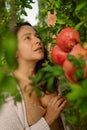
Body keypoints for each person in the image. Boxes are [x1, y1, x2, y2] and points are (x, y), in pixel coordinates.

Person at [0, 22, 68, 130]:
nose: (38, 41)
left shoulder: (49, 77)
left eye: (37, 37)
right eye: (27, 38)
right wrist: (47, 119)